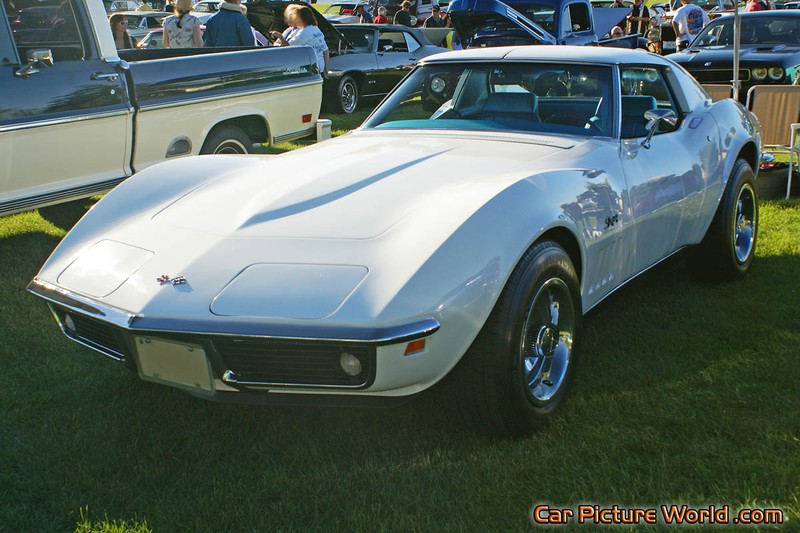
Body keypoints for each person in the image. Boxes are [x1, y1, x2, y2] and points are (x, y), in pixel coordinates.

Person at [270, 5, 329, 77]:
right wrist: (326, 68)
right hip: (320, 68)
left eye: (297, 17)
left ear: (302, 18)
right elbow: (325, 51)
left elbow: (287, 47)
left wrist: (280, 36)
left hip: (310, 69)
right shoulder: (316, 29)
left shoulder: (304, 33)